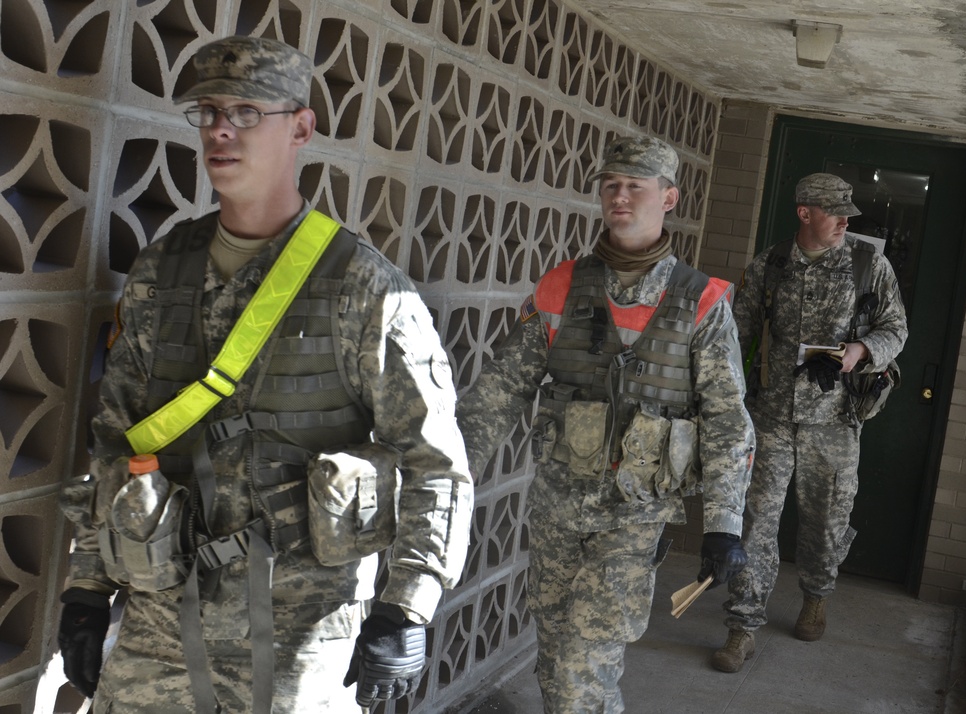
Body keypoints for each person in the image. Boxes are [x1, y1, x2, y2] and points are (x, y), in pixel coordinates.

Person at [56, 35, 473, 713]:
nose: (221, 128)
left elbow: (433, 459)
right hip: (162, 623)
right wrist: (86, 585)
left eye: (248, 111)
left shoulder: (362, 286)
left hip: (301, 639)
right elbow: (117, 439)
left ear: (301, 128)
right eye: (210, 111)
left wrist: (409, 608)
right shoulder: (163, 272)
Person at [457, 135, 755, 712]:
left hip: (637, 515)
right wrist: (445, 482)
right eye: (611, 185)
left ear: (668, 198)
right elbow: (497, 396)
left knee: (581, 665)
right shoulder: (560, 287)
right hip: (557, 507)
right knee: (557, 658)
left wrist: (725, 523)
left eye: (635, 186)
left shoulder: (703, 301)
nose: (619, 196)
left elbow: (727, 418)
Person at [712, 173, 908, 673]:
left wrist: (859, 351)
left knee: (826, 522)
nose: (845, 220)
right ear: (804, 213)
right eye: (834, 210)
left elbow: (896, 327)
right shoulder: (772, 264)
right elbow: (738, 332)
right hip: (773, 416)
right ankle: (742, 627)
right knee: (756, 523)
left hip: (836, 421)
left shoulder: (868, 264)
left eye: (848, 212)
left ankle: (817, 595)